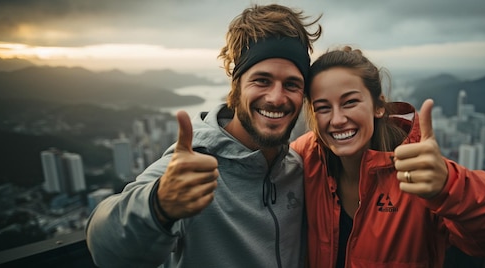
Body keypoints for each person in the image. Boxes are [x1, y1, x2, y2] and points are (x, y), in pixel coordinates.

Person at [86, 4, 322, 267]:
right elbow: (105, 247)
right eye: (261, 80)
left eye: (291, 84)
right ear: (237, 85)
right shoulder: (196, 168)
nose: (276, 98)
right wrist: (158, 205)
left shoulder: (298, 168)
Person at [290, 46, 485, 267]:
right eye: (323, 107)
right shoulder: (307, 157)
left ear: (378, 106)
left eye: (350, 102)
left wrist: (449, 185)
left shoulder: (418, 172)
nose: (338, 119)